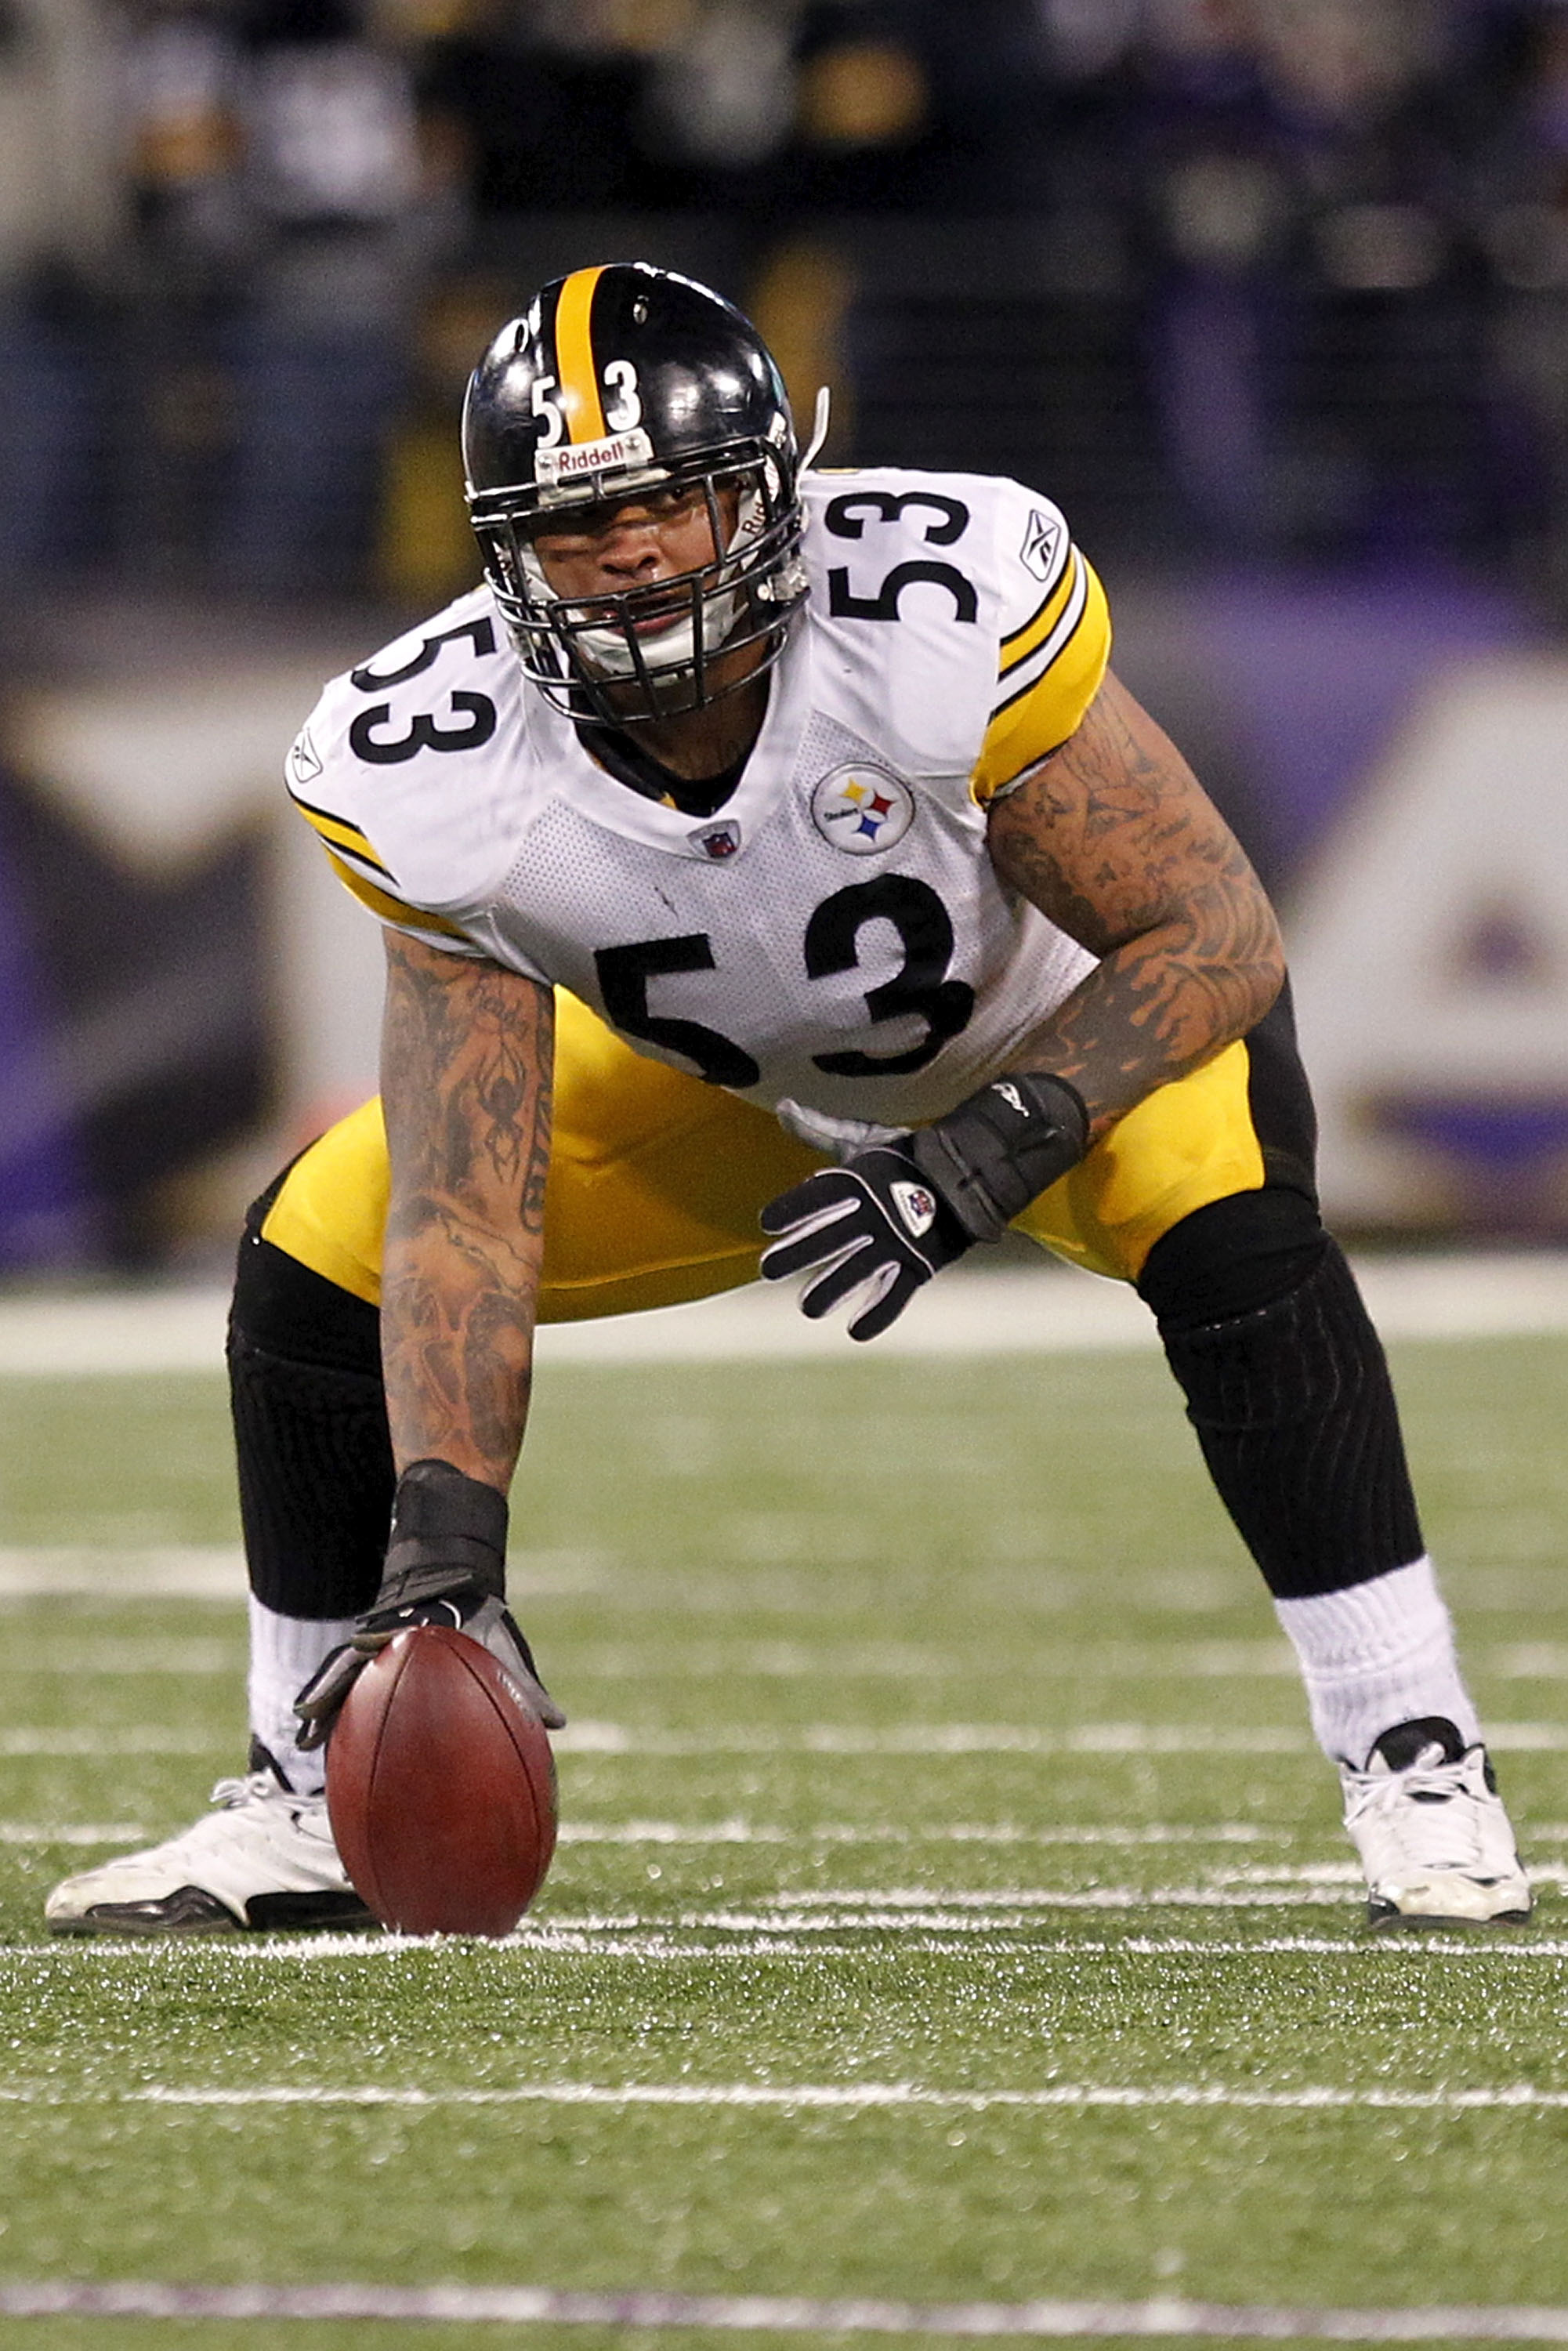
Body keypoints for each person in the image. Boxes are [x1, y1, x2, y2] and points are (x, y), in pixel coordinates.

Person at [48, 261, 1528, 1937]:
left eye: (669, 499)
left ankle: (1413, 1756)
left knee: (1232, 1234)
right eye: (569, 520)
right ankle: (307, 1798)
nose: (625, 550)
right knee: (324, 1244)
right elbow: (465, 1197)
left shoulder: (932, 612)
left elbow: (1210, 935)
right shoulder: (428, 763)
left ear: (767, 485)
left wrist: (970, 1162)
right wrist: (442, 1542)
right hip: (733, 1085)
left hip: (1050, 1043)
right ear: (496, 547)